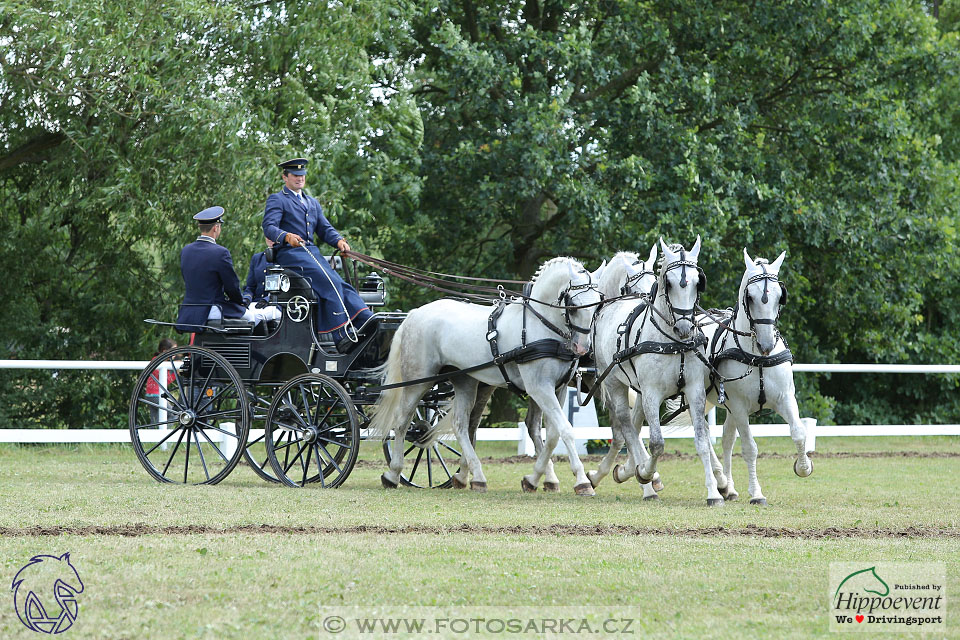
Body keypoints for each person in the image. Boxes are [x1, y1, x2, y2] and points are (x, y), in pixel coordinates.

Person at [261, 157, 377, 352]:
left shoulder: (312, 202)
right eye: (295, 175)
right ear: (285, 177)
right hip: (290, 254)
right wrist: (286, 236)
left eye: (302, 175)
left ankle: (365, 319)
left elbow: (324, 228)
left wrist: (339, 240)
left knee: (341, 284)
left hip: (311, 253)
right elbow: (269, 226)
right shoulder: (278, 199)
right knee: (329, 283)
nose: (300, 178)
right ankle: (340, 335)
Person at [175, 206, 259, 332]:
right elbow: (231, 286)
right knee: (251, 316)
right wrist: (240, 301)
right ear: (216, 228)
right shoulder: (220, 253)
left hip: (189, 310)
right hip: (212, 308)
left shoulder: (186, 251)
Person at [242, 238, 282, 325]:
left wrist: (267, 300)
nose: (270, 239)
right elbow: (250, 287)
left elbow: (287, 287)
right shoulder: (257, 258)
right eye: (268, 236)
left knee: (256, 315)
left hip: (278, 305)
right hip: (256, 303)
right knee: (239, 313)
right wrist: (246, 299)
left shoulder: (286, 258)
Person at [147, 338, 177, 426]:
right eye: (173, 351)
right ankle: (165, 433)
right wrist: (176, 373)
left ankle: (152, 437)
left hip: (150, 394)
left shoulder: (157, 360)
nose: (175, 354)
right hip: (156, 395)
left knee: (154, 420)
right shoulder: (159, 362)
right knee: (173, 414)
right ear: (165, 351)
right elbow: (166, 380)